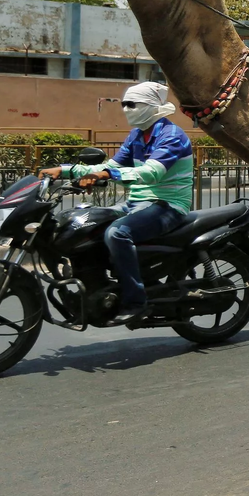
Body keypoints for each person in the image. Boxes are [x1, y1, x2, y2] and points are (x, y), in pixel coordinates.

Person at [39, 82, 194, 324]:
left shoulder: (171, 136)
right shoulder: (137, 135)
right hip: (136, 203)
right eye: (124, 105)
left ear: (152, 107)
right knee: (87, 224)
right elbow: (110, 167)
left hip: (167, 205)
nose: (126, 109)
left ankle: (135, 300)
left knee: (117, 233)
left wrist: (108, 176)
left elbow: (151, 173)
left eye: (132, 104)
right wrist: (65, 171)